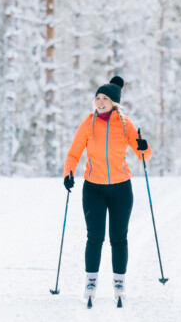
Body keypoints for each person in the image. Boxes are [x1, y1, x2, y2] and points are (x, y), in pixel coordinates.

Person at [62, 76, 151, 306]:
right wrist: (68, 174)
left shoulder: (125, 124)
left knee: (119, 238)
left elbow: (145, 155)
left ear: (114, 102)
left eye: (105, 98)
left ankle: (119, 284)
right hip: (94, 189)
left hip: (121, 188)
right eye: (97, 98)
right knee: (95, 237)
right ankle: (91, 283)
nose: (100, 102)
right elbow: (73, 154)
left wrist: (144, 146)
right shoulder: (88, 124)